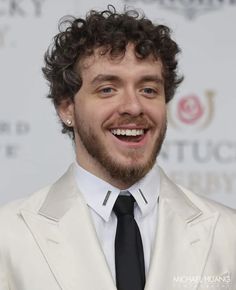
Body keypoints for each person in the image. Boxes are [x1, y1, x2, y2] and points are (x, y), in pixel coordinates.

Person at [0, 5, 235, 290]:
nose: (134, 106)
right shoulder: (9, 236)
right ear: (66, 107)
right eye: (107, 89)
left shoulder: (227, 235)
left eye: (148, 89)